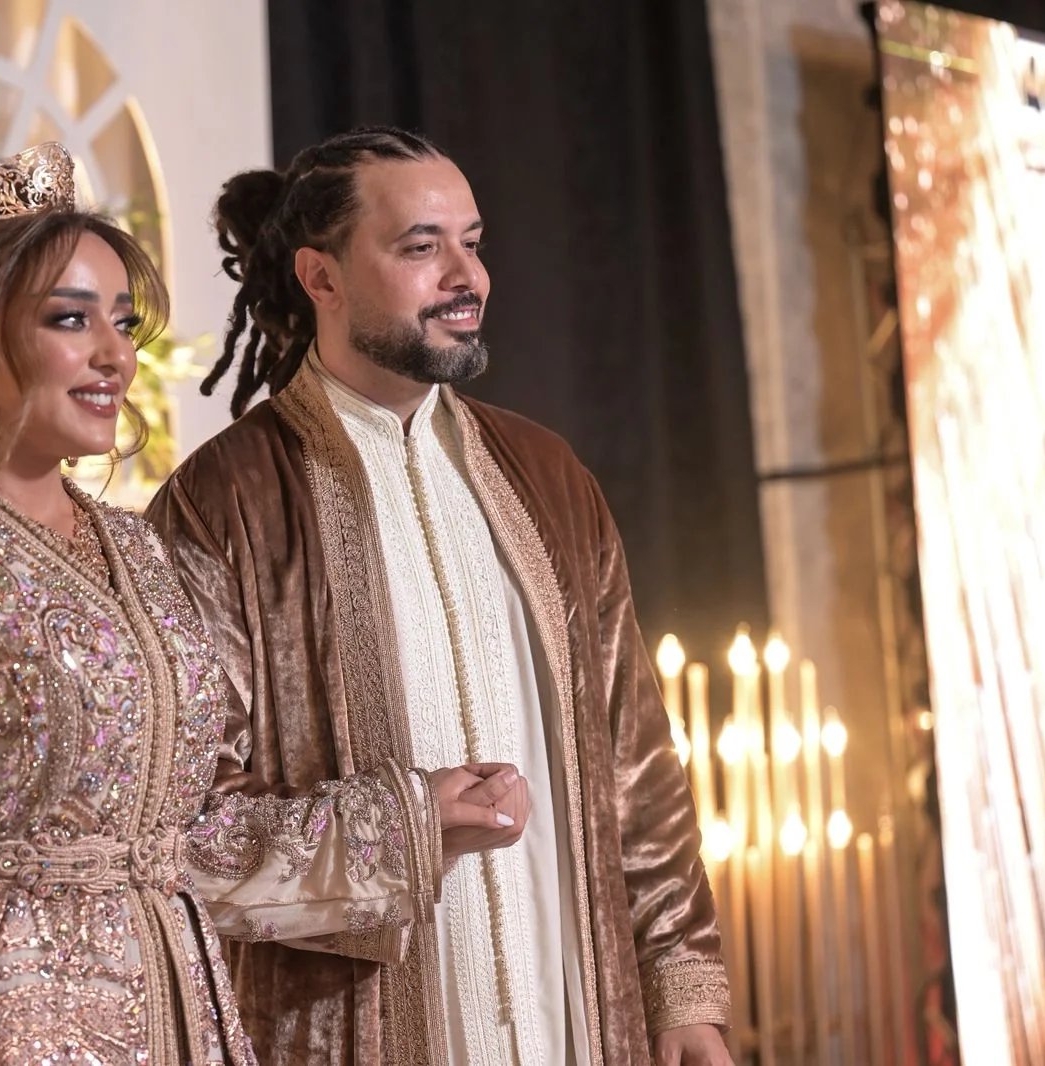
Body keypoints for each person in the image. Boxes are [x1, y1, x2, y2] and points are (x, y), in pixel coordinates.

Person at [0, 141, 515, 1066]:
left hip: (184, 1022)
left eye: (123, 321)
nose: (115, 355)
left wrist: (412, 821)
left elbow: (180, 844)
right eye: (70, 318)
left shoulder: (131, 548)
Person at [146, 127, 734, 1066]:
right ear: (321, 277)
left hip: (575, 1026)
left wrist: (682, 989)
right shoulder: (224, 504)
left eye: (473, 242)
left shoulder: (547, 476)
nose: (468, 277)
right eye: (422, 247)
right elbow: (180, 831)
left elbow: (636, 762)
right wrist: (405, 828)